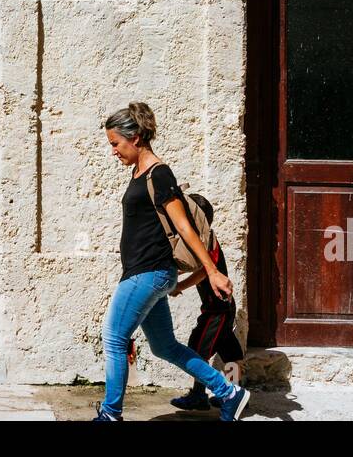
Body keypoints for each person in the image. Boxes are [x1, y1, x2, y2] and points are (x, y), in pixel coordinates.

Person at [93, 102, 251, 422]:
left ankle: (110, 413)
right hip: (147, 273)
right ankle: (228, 392)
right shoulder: (139, 173)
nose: (113, 151)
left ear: (135, 137)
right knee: (164, 346)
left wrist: (212, 272)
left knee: (113, 338)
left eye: (115, 143)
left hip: (148, 273)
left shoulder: (159, 173)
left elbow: (184, 226)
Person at [168, 193, 245, 410]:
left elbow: (203, 271)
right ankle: (236, 392)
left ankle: (198, 395)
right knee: (230, 350)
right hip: (223, 307)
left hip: (217, 310)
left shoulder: (207, 241)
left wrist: (179, 286)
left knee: (197, 348)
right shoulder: (206, 239)